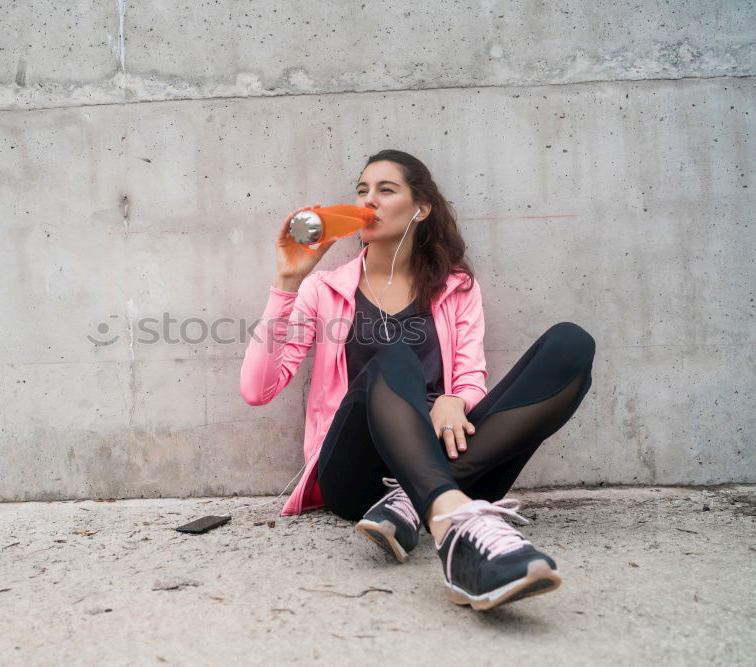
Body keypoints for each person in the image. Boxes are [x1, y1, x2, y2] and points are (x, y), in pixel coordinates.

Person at [239, 149, 596, 611]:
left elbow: (470, 376)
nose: (370, 201)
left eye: (386, 191)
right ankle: (444, 511)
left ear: (420, 208)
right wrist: (287, 281)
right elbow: (257, 389)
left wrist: (456, 399)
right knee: (396, 355)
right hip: (358, 477)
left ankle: (421, 504)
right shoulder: (322, 287)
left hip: (449, 453)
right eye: (362, 191)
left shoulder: (456, 286)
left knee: (571, 345)